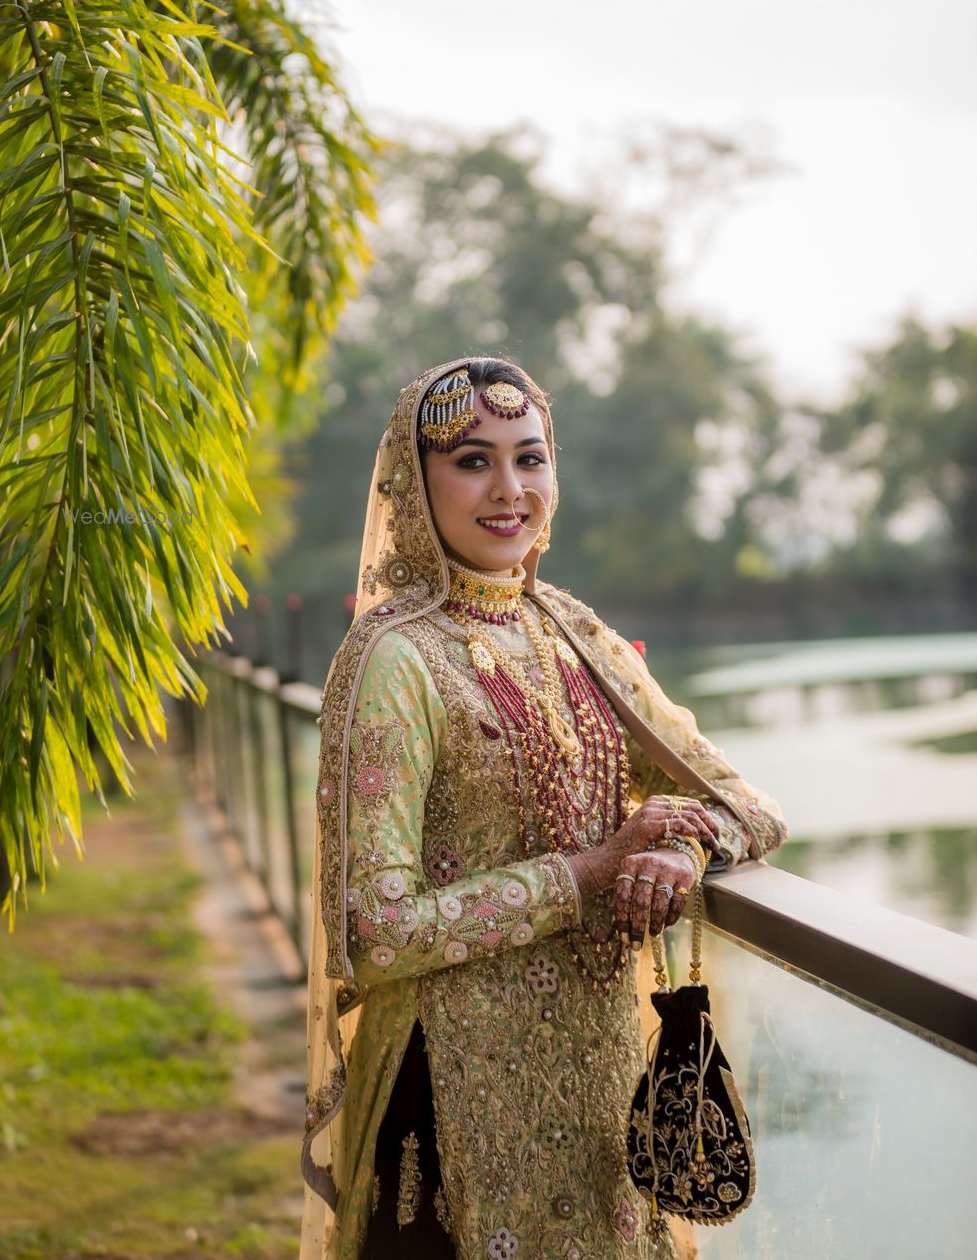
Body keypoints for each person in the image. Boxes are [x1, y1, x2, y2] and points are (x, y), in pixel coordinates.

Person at [299, 357, 788, 1260]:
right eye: (473, 461)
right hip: (448, 1097)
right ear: (416, 481)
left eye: (530, 458)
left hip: (601, 1077)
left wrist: (680, 847)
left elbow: (744, 804)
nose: (509, 490)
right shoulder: (392, 659)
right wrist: (589, 873)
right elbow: (377, 930)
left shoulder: (571, 629)